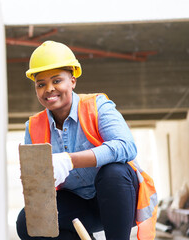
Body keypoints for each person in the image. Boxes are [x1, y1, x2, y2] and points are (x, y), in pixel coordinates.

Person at [16, 41, 157, 240]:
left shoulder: (98, 106)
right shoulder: (33, 127)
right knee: (28, 222)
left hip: (116, 199)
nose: (49, 89)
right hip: (77, 205)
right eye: (41, 84)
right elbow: (37, 185)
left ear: (72, 81)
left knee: (114, 172)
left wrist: (70, 160)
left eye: (57, 81)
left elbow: (126, 146)